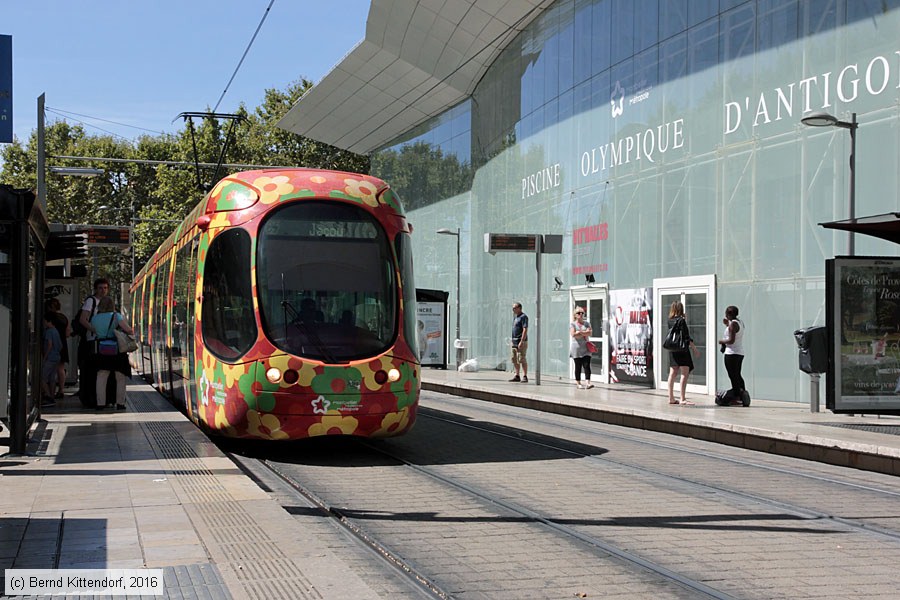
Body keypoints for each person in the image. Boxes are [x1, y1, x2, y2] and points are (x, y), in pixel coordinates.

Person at [90, 296, 134, 411]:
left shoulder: (95, 318)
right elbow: (129, 330)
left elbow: (94, 330)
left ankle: (100, 403)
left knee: (101, 375)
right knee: (120, 376)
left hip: (101, 348)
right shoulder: (116, 316)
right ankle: (120, 403)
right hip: (116, 349)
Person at [77, 278, 110, 407]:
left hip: (102, 341)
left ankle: (99, 398)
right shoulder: (91, 301)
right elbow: (83, 319)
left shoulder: (106, 302)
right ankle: (90, 398)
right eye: (101, 288)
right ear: (96, 289)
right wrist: (95, 330)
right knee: (91, 371)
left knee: (101, 371)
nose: (103, 290)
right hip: (91, 341)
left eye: (105, 288)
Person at [666, 300, 700, 405]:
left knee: (672, 373)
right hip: (682, 350)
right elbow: (686, 336)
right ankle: (682, 398)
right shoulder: (681, 321)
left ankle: (671, 397)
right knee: (684, 373)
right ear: (681, 309)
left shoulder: (670, 320)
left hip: (673, 350)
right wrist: (694, 349)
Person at [45, 298, 72, 399]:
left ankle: (48, 391)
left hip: (51, 344)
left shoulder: (48, 317)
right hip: (62, 344)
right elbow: (68, 333)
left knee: (49, 368)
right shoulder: (64, 317)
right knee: (60, 368)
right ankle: (61, 389)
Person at [719, 305, 745, 401]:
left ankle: (736, 396)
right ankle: (742, 393)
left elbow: (731, 340)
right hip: (739, 353)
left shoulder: (732, 324)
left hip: (731, 353)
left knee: (732, 375)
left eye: (726, 314)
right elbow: (735, 332)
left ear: (729, 314)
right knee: (737, 374)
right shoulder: (740, 322)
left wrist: (721, 341)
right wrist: (727, 324)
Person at [40, 317, 63, 406]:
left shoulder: (49, 332)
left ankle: (48, 396)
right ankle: (52, 396)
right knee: (52, 378)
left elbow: (49, 344)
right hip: (56, 356)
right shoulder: (56, 331)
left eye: (45, 320)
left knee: (42, 377)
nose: (44, 322)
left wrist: (45, 357)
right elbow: (60, 345)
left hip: (50, 357)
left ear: (49, 321)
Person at [570, 306, 593, 389]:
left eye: (582, 313)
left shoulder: (587, 323)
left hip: (586, 347)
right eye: (579, 313)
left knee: (587, 365)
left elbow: (590, 333)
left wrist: (580, 332)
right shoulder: (573, 324)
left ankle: (588, 382)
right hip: (576, 348)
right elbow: (573, 334)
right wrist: (584, 332)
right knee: (578, 366)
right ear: (575, 315)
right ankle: (578, 383)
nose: (581, 314)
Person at [509, 302, 529, 383]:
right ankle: (517, 375)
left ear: (519, 308)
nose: (513, 309)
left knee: (521, 358)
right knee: (514, 359)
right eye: (513, 308)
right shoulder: (515, 317)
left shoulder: (523, 317)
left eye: (515, 308)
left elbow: (525, 329)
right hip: (514, 341)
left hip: (521, 341)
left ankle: (525, 375)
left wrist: (522, 341)